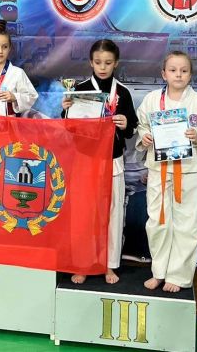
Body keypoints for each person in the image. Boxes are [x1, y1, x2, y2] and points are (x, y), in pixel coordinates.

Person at [135, 51, 197, 292]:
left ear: (191, 75)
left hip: (189, 171)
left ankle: (178, 276)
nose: (178, 75)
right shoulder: (152, 100)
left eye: (184, 71)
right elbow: (141, 125)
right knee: (157, 222)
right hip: (159, 170)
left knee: (187, 223)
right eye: (173, 70)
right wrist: (145, 136)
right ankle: (159, 272)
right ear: (163, 74)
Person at [62, 39, 137, 284]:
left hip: (113, 160)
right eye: (98, 62)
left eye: (107, 63)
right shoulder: (80, 90)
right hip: (85, 159)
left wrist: (126, 124)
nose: (102, 67)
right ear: (90, 63)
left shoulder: (123, 92)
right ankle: (83, 263)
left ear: (116, 63)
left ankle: (109, 265)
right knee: (84, 214)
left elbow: (132, 129)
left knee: (113, 213)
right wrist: (66, 110)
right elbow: (69, 128)